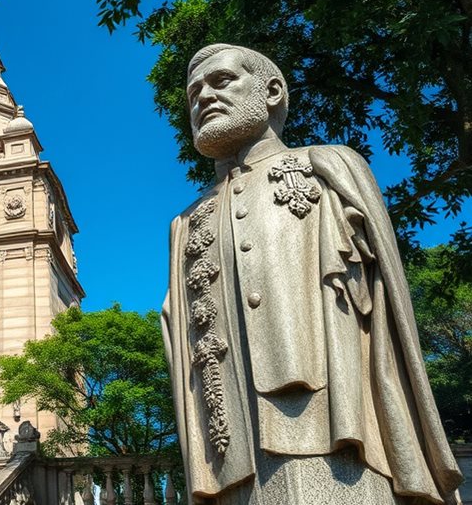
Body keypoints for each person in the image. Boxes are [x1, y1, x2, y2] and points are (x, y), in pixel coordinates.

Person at [162, 44, 463, 504]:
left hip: (341, 421)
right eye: (194, 93)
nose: (203, 97)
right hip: (229, 449)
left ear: (272, 91)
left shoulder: (328, 164)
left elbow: (386, 297)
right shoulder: (184, 223)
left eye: (220, 82)